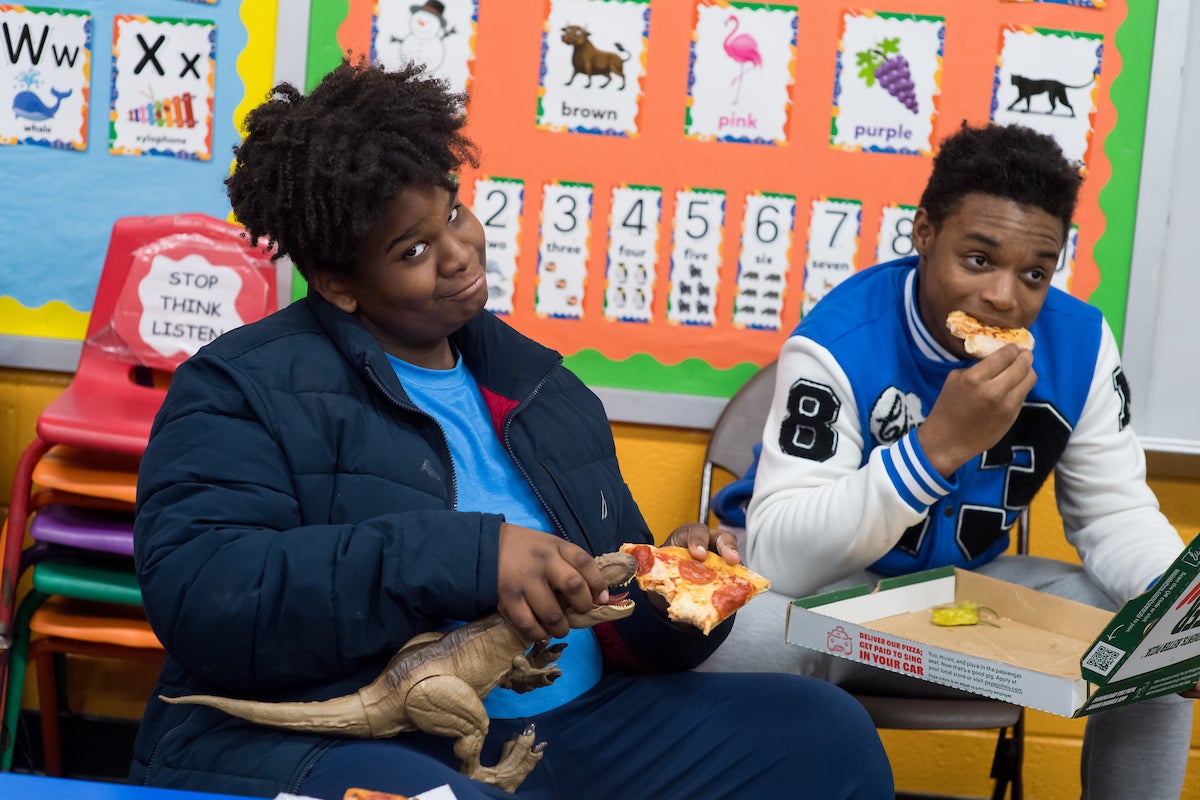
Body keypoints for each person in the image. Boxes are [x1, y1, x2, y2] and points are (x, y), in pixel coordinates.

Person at [128, 60, 893, 799]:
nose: (461, 253)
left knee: (824, 736)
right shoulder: (238, 387)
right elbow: (207, 597)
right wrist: (471, 553)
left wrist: (680, 585)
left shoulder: (543, 389)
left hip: (572, 726)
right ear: (338, 284)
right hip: (353, 739)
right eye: (414, 250)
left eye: (453, 211)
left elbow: (637, 638)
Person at [697, 122, 1197, 799]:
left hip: (966, 594)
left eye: (1034, 274)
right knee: (731, 631)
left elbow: (1115, 514)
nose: (1003, 297)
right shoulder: (838, 339)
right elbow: (781, 558)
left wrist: (1178, 609)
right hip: (831, 599)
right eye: (979, 259)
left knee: (1163, 647)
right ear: (925, 233)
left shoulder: (1080, 344)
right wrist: (938, 448)